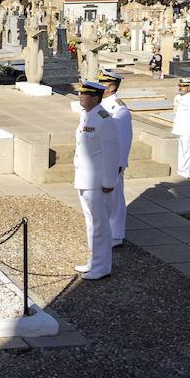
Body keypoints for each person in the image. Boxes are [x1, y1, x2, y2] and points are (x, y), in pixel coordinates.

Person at [73, 80, 119, 281]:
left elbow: (111, 152)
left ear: (95, 98)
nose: (80, 96)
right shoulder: (87, 115)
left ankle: (102, 267)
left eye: (84, 94)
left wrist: (109, 182)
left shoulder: (104, 119)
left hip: (97, 183)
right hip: (84, 179)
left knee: (101, 225)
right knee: (91, 224)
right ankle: (94, 260)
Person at [98, 70, 133, 246]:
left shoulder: (119, 109)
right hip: (100, 159)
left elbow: (124, 138)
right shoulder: (101, 104)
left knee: (115, 198)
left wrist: (119, 163)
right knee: (103, 198)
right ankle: (106, 230)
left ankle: (116, 234)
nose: (100, 85)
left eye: (103, 83)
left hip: (113, 161)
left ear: (111, 87)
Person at [171, 78, 190, 178]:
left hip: (188, 129)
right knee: (181, 151)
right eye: (180, 86)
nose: (181, 88)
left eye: (183, 86)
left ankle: (186, 172)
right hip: (180, 128)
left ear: (189, 87)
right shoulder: (177, 97)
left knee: (187, 151)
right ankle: (180, 170)